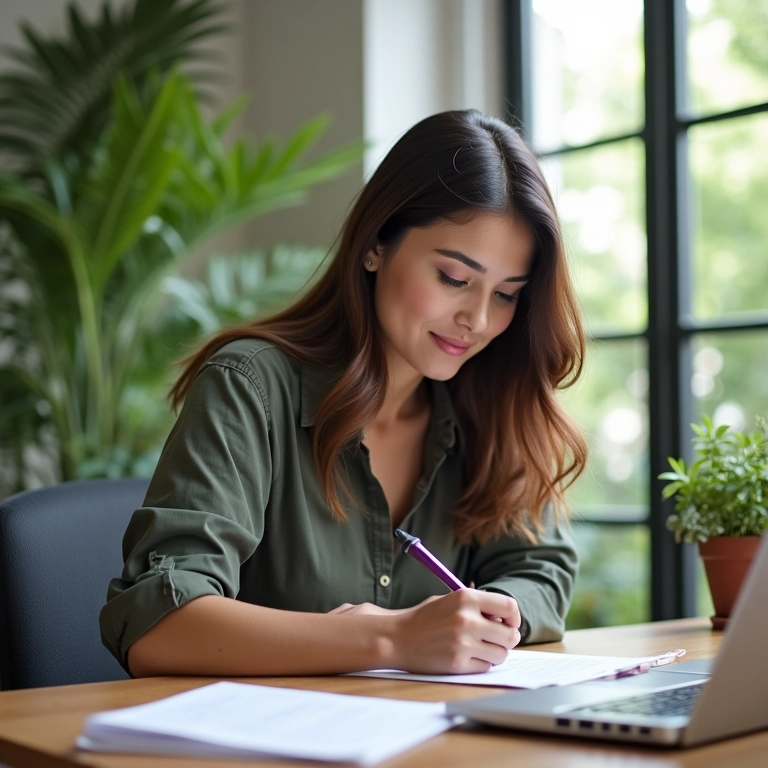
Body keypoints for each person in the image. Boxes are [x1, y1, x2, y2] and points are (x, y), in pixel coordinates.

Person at [100, 109, 587, 679]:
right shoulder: (249, 387)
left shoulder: (494, 405)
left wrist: (482, 620)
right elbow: (159, 626)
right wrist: (391, 637)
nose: (477, 319)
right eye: (454, 279)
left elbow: (542, 571)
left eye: (506, 295)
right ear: (375, 245)